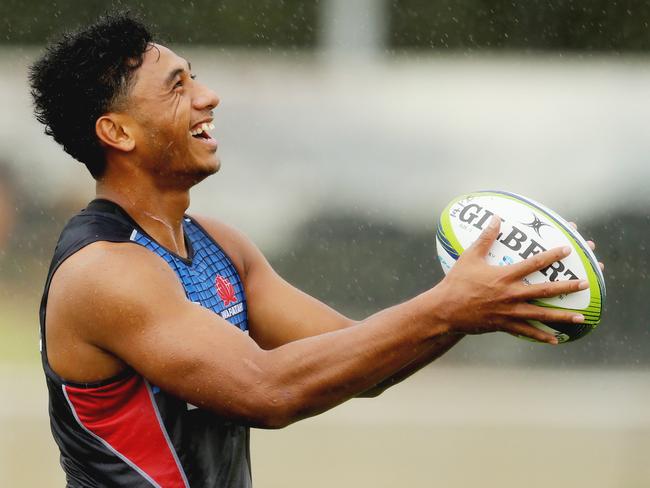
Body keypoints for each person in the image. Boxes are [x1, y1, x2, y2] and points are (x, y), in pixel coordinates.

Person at [29, 13, 597, 488]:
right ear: (119, 133)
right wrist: (449, 308)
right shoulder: (104, 272)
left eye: (194, 77)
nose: (208, 96)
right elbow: (267, 390)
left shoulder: (219, 244)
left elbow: (362, 365)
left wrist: (480, 299)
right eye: (178, 86)